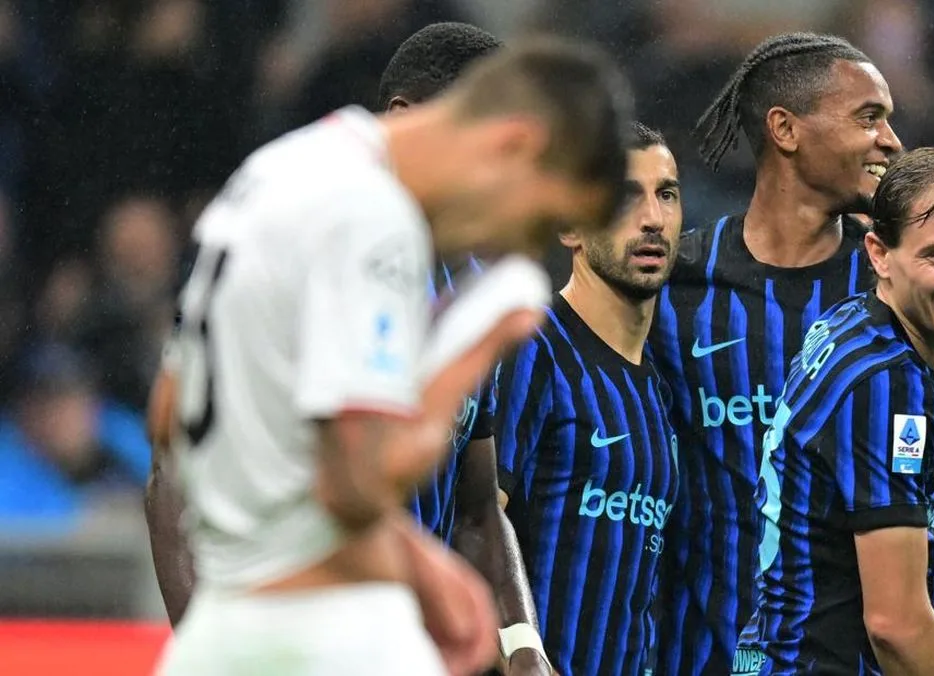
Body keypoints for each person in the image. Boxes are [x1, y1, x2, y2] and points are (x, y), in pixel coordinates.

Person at [152, 39, 634, 676]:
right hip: (320, 635)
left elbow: (167, 412)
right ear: (513, 145)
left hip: (227, 628)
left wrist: (422, 562)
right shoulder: (373, 217)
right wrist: (477, 344)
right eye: (536, 222)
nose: (518, 248)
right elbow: (355, 485)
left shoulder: (279, 169)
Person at [649, 33, 934, 675]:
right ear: (785, 129)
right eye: (869, 117)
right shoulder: (674, 287)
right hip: (699, 654)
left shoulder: (925, 291)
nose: (891, 141)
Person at [754, 147, 934, 674]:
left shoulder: (859, 325)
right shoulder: (887, 381)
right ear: (879, 255)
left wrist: (932, 529)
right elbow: (896, 626)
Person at [493, 123, 682, 675]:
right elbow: (474, 521)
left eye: (667, 194)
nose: (653, 218)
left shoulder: (659, 385)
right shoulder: (532, 349)